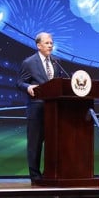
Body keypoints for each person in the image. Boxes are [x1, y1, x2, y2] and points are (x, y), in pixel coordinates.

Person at [16, 32, 66, 184]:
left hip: (54, 111)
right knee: (35, 145)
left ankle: (51, 174)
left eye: (51, 43)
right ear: (38, 45)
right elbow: (19, 82)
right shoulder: (29, 62)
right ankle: (36, 178)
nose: (50, 45)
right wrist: (29, 87)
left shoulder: (57, 62)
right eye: (47, 43)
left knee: (54, 144)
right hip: (37, 110)